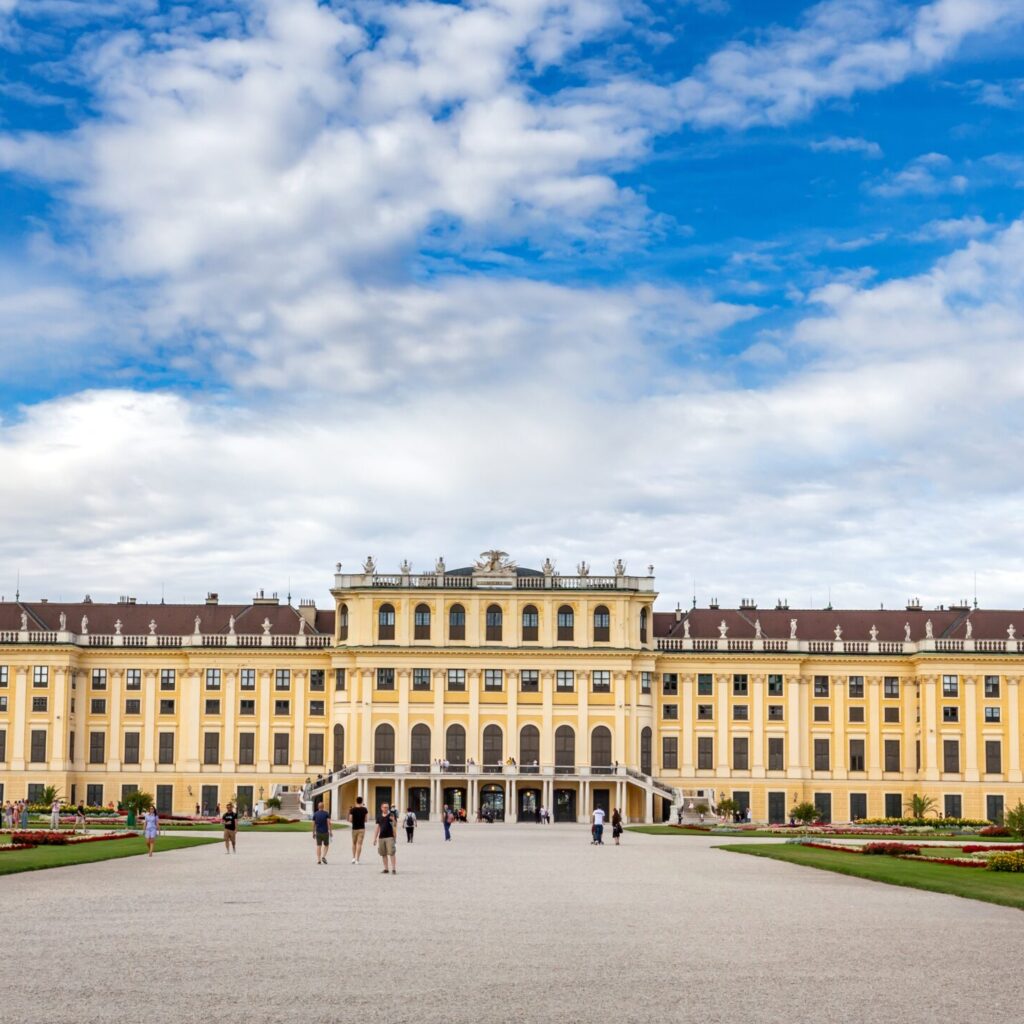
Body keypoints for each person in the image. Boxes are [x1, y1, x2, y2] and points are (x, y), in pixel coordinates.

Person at [374, 801, 397, 874]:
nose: (386, 808)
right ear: (381, 808)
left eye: (387, 807)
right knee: (383, 854)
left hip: (390, 837)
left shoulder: (391, 815)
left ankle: (393, 869)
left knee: (391, 853)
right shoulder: (379, 817)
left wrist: (393, 820)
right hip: (381, 837)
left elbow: (395, 825)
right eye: (384, 807)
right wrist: (374, 838)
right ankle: (386, 868)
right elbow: (377, 828)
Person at [348, 796, 368, 864]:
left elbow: (350, 820)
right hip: (362, 828)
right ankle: (357, 860)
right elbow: (366, 820)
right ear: (362, 801)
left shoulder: (352, 810)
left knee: (354, 843)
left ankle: (353, 858)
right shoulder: (365, 809)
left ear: (356, 801)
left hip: (354, 828)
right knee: (359, 844)